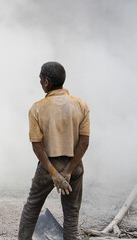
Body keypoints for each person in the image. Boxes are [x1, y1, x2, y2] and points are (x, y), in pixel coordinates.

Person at [18, 62, 90, 240]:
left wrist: (53, 172)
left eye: (41, 78)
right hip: (74, 165)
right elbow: (84, 142)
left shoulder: (37, 108)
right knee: (72, 215)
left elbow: (37, 145)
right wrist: (68, 171)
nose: (40, 82)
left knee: (32, 206)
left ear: (47, 82)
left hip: (48, 165)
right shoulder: (80, 105)